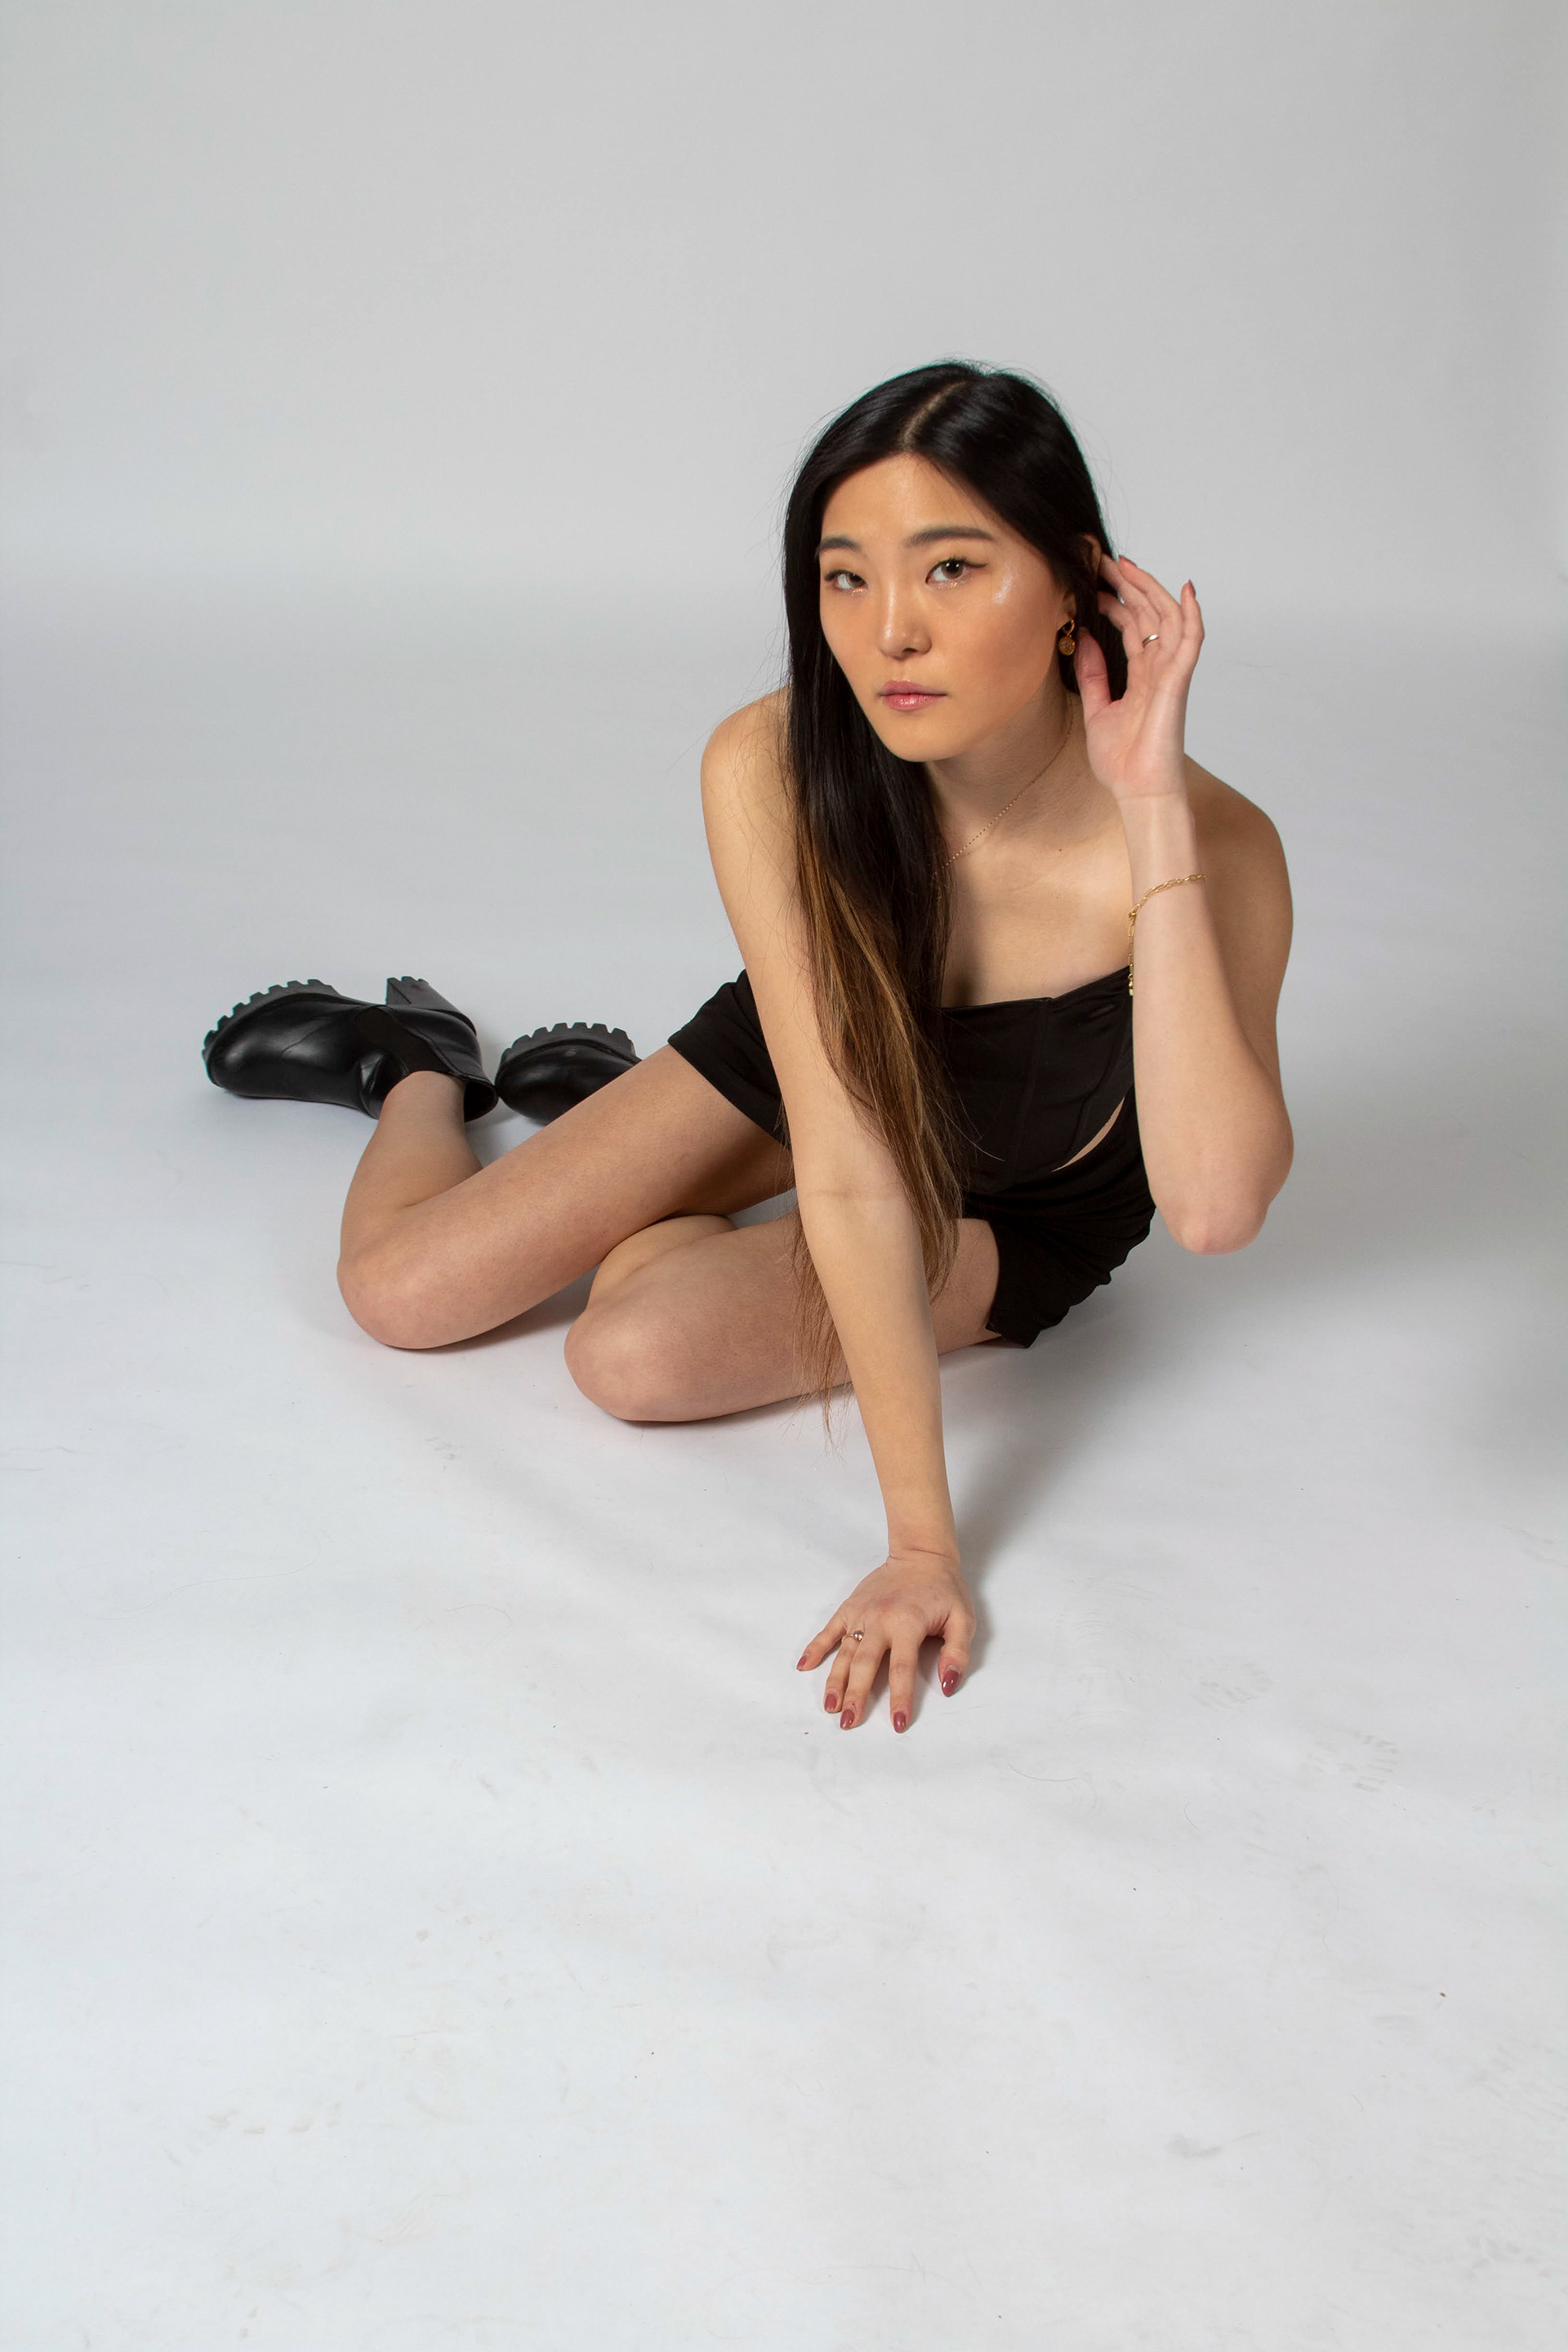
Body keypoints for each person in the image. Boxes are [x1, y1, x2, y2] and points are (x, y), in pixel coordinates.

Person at [203, 361, 1294, 1735]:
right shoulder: (773, 764)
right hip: (819, 1064)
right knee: (398, 1296)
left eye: (952, 568)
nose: (891, 631)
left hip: (1009, 1197)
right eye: (846, 578)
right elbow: (847, 1162)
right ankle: (417, 1065)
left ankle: (627, 1145)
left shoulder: (1215, 844)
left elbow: (1215, 1206)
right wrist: (922, 1536)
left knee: (631, 1353)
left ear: (1077, 581)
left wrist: (1149, 811)